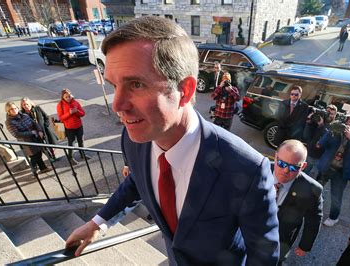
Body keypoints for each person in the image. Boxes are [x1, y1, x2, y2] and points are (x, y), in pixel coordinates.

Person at [65, 16, 279, 265]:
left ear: (185, 90)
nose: (117, 106)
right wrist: (98, 223)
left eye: (136, 84)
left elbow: (263, 255)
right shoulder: (134, 138)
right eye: (114, 85)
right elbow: (137, 180)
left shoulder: (247, 168)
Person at [274, 140, 323, 264]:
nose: (285, 171)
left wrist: (304, 245)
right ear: (275, 157)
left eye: (293, 167)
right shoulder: (259, 170)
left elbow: (314, 218)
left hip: (280, 240)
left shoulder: (312, 189)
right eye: (281, 163)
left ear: (303, 166)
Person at [316, 110, 350, 226]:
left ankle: (333, 218)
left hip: (341, 171)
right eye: (347, 119)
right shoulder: (338, 127)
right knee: (316, 189)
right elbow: (323, 143)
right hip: (327, 166)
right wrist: (331, 131)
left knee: (336, 196)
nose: (349, 122)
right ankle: (309, 208)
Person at [5, 102, 52, 174]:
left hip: (36, 138)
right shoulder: (9, 122)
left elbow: (34, 123)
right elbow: (16, 134)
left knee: (39, 153)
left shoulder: (24, 115)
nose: (14, 110)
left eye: (15, 108)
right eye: (11, 109)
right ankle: (34, 170)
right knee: (34, 156)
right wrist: (32, 133)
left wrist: (39, 131)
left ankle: (43, 168)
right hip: (26, 141)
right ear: (8, 111)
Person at [303, 104, 338, 178]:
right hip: (310, 154)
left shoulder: (335, 126)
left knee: (312, 181)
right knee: (302, 176)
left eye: (331, 114)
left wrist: (322, 126)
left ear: (335, 115)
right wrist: (309, 122)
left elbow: (329, 141)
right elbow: (306, 135)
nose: (329, 115)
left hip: (321, 158)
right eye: (327, 112)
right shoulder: (317, 121)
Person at [57, 88, 88, 165]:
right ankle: (70, 158)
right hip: (69, 128)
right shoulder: (60, 105)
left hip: (79, 126)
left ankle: (82, 155)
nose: (68, 98)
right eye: (66, 97)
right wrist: (70, 113)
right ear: (63, 97)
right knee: (71, 143)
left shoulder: (76, 102)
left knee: (81, 141)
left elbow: (83, 114)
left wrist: (76, 111)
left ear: (71, 95)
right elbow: (61, 117)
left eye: (69, 96)